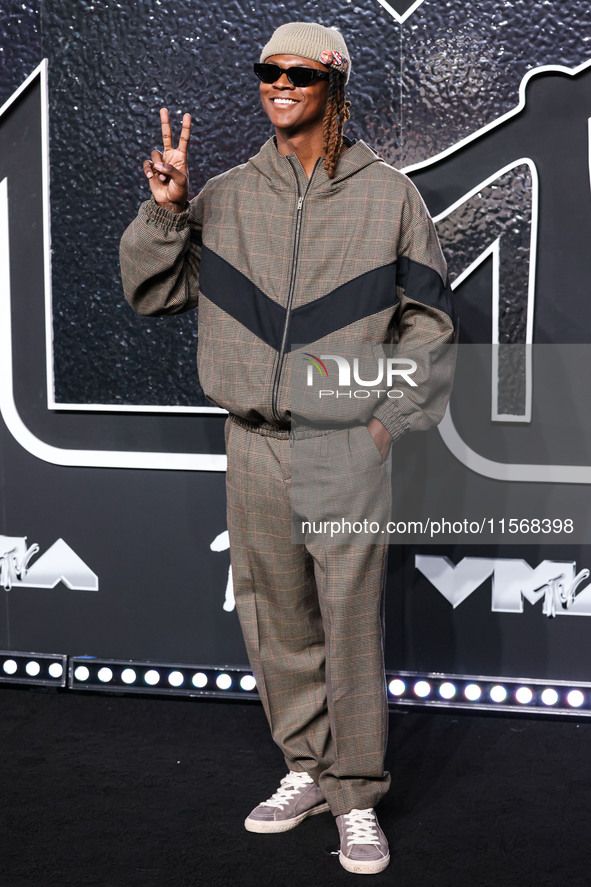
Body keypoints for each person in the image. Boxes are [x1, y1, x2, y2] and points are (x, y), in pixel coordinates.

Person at [120, 21, 457, 875]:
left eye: (297, 73)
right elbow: (153, 292)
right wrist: (164, 213)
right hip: (253, 441)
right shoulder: (227, 194)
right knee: (276, 622)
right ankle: (304, 767)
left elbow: (429, 325)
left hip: (344, 445)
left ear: (332, 85)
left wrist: (387, 419)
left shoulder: (390, 197)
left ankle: (355, 796)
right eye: (267, 70)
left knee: (347, 626)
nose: (278, 83)